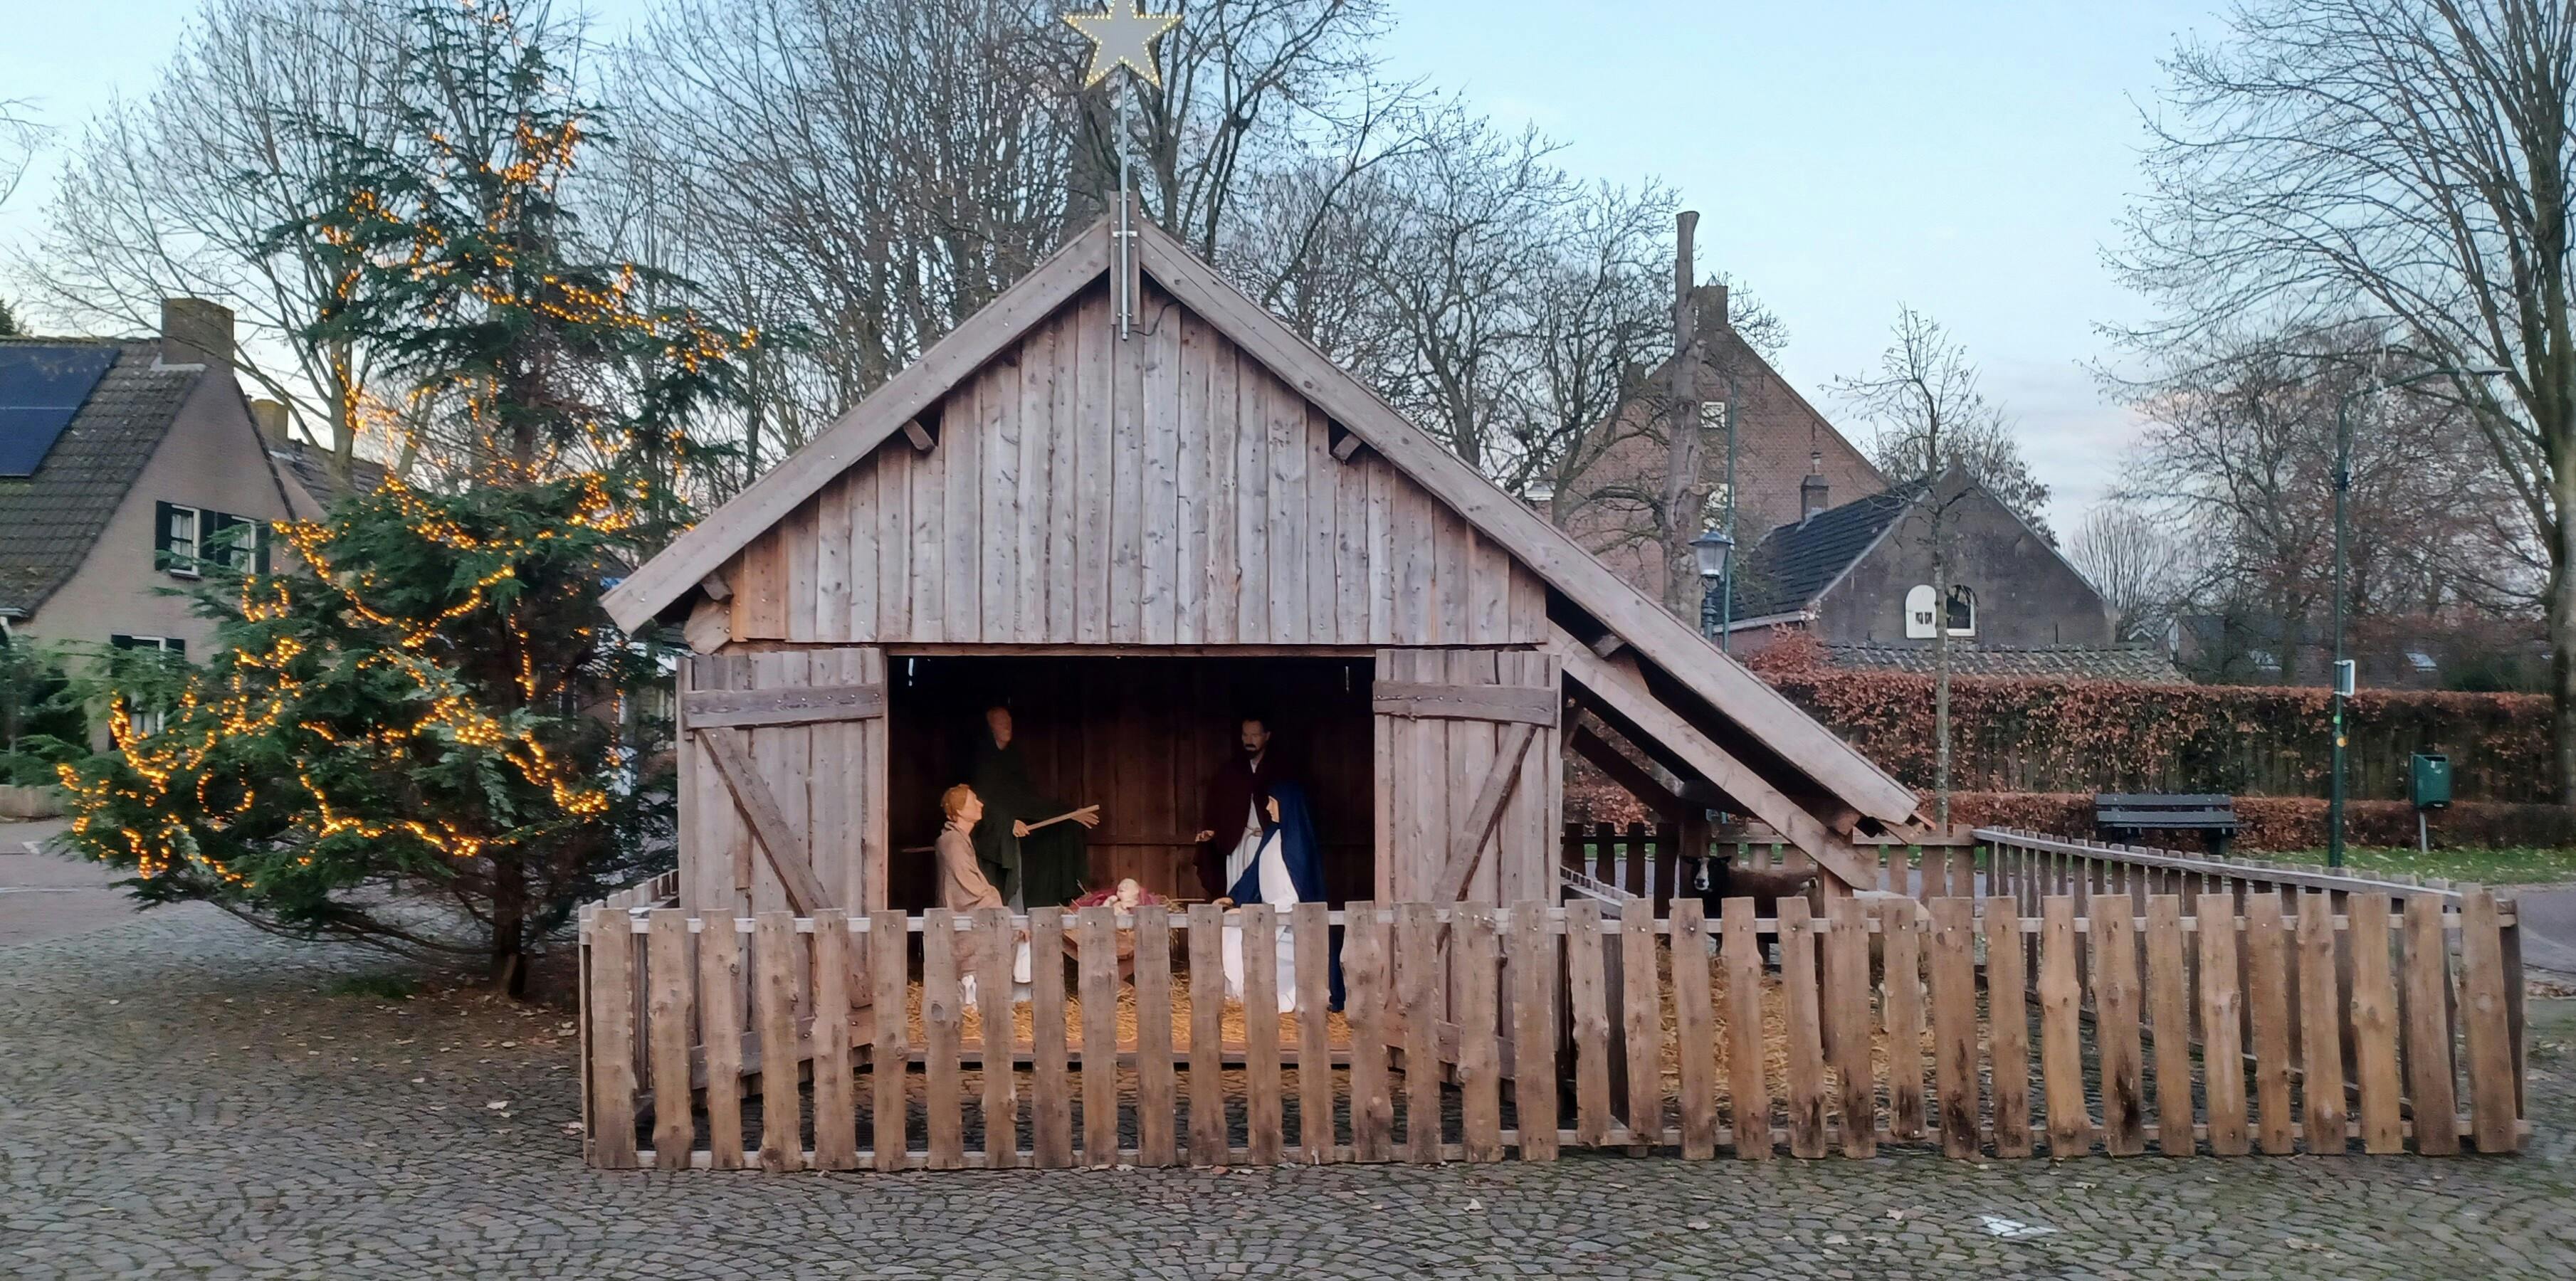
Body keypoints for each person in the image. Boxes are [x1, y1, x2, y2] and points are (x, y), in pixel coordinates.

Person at [1215, 780, 1341, 1011]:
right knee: (1228, 928)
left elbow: (1294, 895)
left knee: (1238, 932)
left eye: (1273, 803)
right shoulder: (1273, 835)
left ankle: (1279, 997)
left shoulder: (1298, 844)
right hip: (1268, 915)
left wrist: (1253, 913)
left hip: (1290, 924)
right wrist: (1235, 899)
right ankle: (1243, 995)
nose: (1267, 808)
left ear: (1288, 805)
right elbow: (1255, 873)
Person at [968, 706, 1098, 909]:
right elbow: (984, 801)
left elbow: (1023, 799)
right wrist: (1006, 822)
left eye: (1009, 722)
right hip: (989, 837)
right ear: (989, 727)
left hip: (1015, 827)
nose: (1007, 726)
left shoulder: (1013, 757)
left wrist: (1067, 814)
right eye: (1001, 722)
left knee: (1061, 830)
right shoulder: (980, 759)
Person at [934, 783, 1032, 998]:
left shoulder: (961, 840)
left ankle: (1013, 996)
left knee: (1018, 929)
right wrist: (1001, 908)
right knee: (1012, 929)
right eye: (973, 801)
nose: (980, 804)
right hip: (963, 915)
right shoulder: (952, 842)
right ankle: (983, 994)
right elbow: (968, 887)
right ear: (959, 811)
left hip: (973, 911)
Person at [1194, 715, 1295, 900]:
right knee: (1238, 893)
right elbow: (1219, 808)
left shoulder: (1280, 771)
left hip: (1271, 842)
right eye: (1245, 735)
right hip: (1239, 844)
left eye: (1255, 735)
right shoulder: (1230, 772)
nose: (1249, 740)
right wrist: (1215, 833)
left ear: (1267, 736)